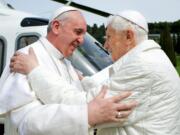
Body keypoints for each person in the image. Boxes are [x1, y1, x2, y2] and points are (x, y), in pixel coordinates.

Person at [10, 10, 180, 135]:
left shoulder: (144, 67)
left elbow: (82, 104)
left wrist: (35, 71)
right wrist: (84, 81)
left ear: (129, 36)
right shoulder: (150, 59)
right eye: (77, 32)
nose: (105, 46)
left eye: (109, 37)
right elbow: (110, 81)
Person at [0, 6, 136, 135]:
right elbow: (25, 123)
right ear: (56, 27)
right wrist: (87, 116)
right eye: (78, 32)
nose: (81, 40)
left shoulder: (67, 64)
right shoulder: (24, 59)